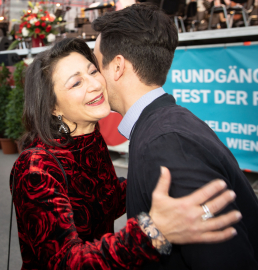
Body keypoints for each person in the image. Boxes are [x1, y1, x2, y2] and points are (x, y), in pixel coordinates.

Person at [10, 38, 240, 270]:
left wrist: (174, 172)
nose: (95, 84)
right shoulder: (35, 167)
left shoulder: (89, 140)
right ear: (53, 107)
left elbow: (105, 199)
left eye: (93, 71)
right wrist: (153, 232)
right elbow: (66, 262)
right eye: (76, 83)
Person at [92, 3, 258, 270]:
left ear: (117, 66)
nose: (94, 79)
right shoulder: (163, 125)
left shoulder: (165, 142)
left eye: (95, 65)